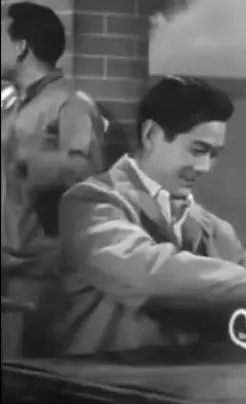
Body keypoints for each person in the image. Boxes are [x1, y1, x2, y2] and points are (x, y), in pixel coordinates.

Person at [51, 75, 246, 355]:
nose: (205, 167)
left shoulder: (209, 226)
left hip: (182, 385)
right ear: (151, 135)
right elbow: (148, 269)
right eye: (198, 150)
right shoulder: (90, 203)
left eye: (214, 154)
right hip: (94, 383)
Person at [1, 2, 106, 356]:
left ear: (21, 47)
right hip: (8, 266)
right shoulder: (12, 106)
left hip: (42, 273)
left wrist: (24, 162)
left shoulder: (71, 104)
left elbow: (86, 172)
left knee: (31, 370)